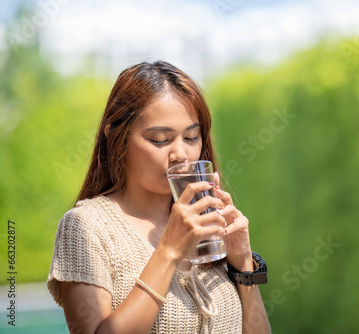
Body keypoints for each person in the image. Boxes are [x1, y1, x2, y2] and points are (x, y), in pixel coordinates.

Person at [46, 61, 271, 334]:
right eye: (160, 140)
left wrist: (243, 263)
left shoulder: (209, 225)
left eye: (191, 137)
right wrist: (169, 252)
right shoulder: (86, 227)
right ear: (116, 136)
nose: (180, 154)